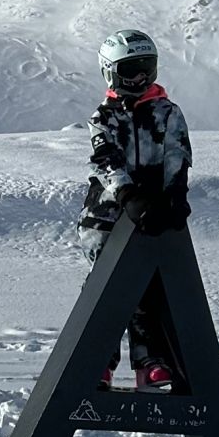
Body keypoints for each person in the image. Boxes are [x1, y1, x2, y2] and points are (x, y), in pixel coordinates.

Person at [77, 29, 192, 393]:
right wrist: (127, 193)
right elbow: (104, 160)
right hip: (108, 216)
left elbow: (177, 154)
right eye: (130, 71)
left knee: (152, 285)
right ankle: (97, 362)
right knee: (108, 287)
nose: (140, 79)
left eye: (146, 69)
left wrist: (175, 194)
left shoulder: (167, 112)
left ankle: (151, 361)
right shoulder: (104, 117)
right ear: (111, 73)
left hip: (153, 212)